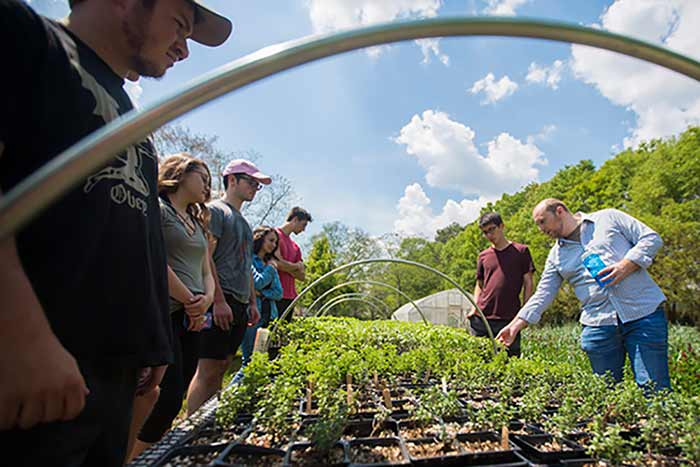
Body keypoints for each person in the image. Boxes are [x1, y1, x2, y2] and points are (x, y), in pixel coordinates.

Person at [0, 0, 231, 465]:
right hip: (36, 371)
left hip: (114, 370)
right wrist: (20, 336)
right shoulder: (24, 37)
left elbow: (134, 233)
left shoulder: (130, 115)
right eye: (180, 25)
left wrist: (148, 341)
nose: (184, 50)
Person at [497, 199, 670, 391]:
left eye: (542, 221)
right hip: (599, 324)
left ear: (560, 211)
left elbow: (651, 238)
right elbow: (543, 294)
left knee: (653, 388)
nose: (540, 229)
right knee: (604, 391)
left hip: (642, 313)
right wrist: (515, 326)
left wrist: (626, 266)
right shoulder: (556, 256)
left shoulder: (608, 218)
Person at [128, 154, 215, 460]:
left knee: (174, 395)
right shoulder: (158, 210)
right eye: (202, 176)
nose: (207, 184)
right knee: (160, 394)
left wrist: (205, 300)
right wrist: (188, 299)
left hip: (192, 317)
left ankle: (149, 454)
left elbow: (206, 270)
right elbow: (153, 258)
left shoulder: (196, 221)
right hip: (165, 311)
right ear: (180, 174)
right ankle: (134, 457)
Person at [186, 159, 267, 413]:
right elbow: (205, 257)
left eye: (257, 184)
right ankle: (190, 428)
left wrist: (252, 302)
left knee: (223, 366)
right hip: (221, 301)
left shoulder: (243, 222)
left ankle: (209, 421)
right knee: (208, 368)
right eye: (251, 182)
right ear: (232, 180)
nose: (255, 187)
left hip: (240, 303)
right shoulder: (216, 211)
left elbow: (245, 266)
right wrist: (218, 300)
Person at [469, 212, 534, 357]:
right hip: (483, 318)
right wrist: (475, 307)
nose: (489, 235)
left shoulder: (521, 251)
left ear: (502, 226)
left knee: (510, 361)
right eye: (485, 232)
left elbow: (528, 281)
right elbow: (479, 284)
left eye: (492, 229)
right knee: (479, 361)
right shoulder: (483, 256)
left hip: (509, 318)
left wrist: (526, 310)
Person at [232, 226, 283, 384]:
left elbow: (278, 293)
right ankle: (225, 399)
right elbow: (257, 282)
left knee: (261, 361)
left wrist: (264, 294)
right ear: (259, 238)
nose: (273, 245)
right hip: (253, 316)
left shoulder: (268, 263)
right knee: (249, 362)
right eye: (271, 240)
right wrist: (270, 270)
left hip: (269, 315)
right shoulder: (251, 260)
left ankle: (246, 396)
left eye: (275, 242)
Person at [275, 207, 313, 321]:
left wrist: (285, 266)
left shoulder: (295, 247)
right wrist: (296, 267)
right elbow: (277, 264)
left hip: (290, 297)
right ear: (295, 220)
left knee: (282, 335)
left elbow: (302, 276)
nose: (304, 229)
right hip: (275, 294)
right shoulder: (274, 236)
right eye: (304, 225)